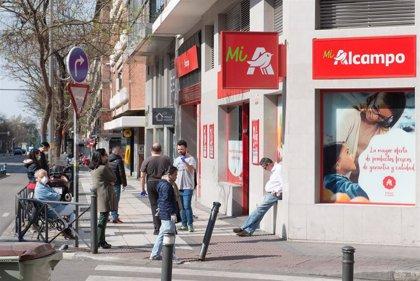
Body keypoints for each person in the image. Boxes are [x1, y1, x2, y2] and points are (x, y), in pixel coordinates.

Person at [338, 92, 406, 182]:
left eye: (381, 117)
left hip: (363, 184)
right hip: (340, 179)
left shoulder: (384, 134)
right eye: (375, 107)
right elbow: (334, 151)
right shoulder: (350, 115)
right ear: (374, 98)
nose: (373, 116)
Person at [233, 157, 283, 237]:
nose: (265, 169)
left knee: (259, 210)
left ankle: (243, 227)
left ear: (269, 164)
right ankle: (248, 231)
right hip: (271, 193)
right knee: (260, 212)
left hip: (274, 194)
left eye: (265, 167)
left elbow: (283, 183)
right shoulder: (274, 170)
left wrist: (276, 191)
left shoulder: (279, 169)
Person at [33, 169, 75, 239]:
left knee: (72, 208)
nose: (45, 177)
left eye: (46, 175)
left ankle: (67, 227)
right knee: (74, 210)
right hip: (51, 211)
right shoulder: (41, 188)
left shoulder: (42, 186)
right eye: (43, 176)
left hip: (51, 208)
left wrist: (56, 195)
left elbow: (55, 195)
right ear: (38, 178)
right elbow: (57, 197)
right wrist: (57, 195)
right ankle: (68, 229)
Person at [140, 143, 172, 235]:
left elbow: (142, 176)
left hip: (151, 183)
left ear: (151, 150)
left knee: (154, 206)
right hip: (163, 183)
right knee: (165, 204)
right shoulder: (166, 159)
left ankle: (157, 228)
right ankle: (167, 226)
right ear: (161, 150)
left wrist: (143, 189)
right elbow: (171, 173)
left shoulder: (147, 160)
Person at [150, 166, 179, 260]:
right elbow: (166, 201)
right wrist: (172, 213)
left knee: (165, 234)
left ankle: (157, 254)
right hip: (167, 214)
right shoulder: (167, 186)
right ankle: (168, 255)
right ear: (169, 175)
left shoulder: (162, 183)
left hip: (165, 212)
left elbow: (162, 200)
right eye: (175, 174)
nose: (176, 176)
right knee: (168, 234)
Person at [90, 148, 117, 249]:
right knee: (102, 219)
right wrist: (108, 166)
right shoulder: (103, 168)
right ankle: (97, 242)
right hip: (104, 196)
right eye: (105, 155)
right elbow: (114, 178)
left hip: (98, 196)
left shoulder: (94, 168)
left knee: (103, 218)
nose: (107, 156)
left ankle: (102, 241)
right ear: (101, 157)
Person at [173, 140, 196, 232]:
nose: (180, 151)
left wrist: (185, 162)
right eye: (178, 149)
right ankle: (183, 224)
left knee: (187, 206)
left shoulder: (191, 159)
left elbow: (191, 170)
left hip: (188, 187)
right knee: (181, 207)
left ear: (186, 148)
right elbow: (174, 172)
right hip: (178, 187)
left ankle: (190, 225)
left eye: (181, 149)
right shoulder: (176, 160)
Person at [108, 145, 127, 223]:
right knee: (115, 201)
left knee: (108, 200)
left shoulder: (107, 159)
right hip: (116, 183)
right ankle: (115, 217)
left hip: (108, 183)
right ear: (117, 151)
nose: (122, 152)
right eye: (121, 151)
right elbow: (121, 173)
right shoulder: (119, 160)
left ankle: (106, 217)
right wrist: (124, 183)